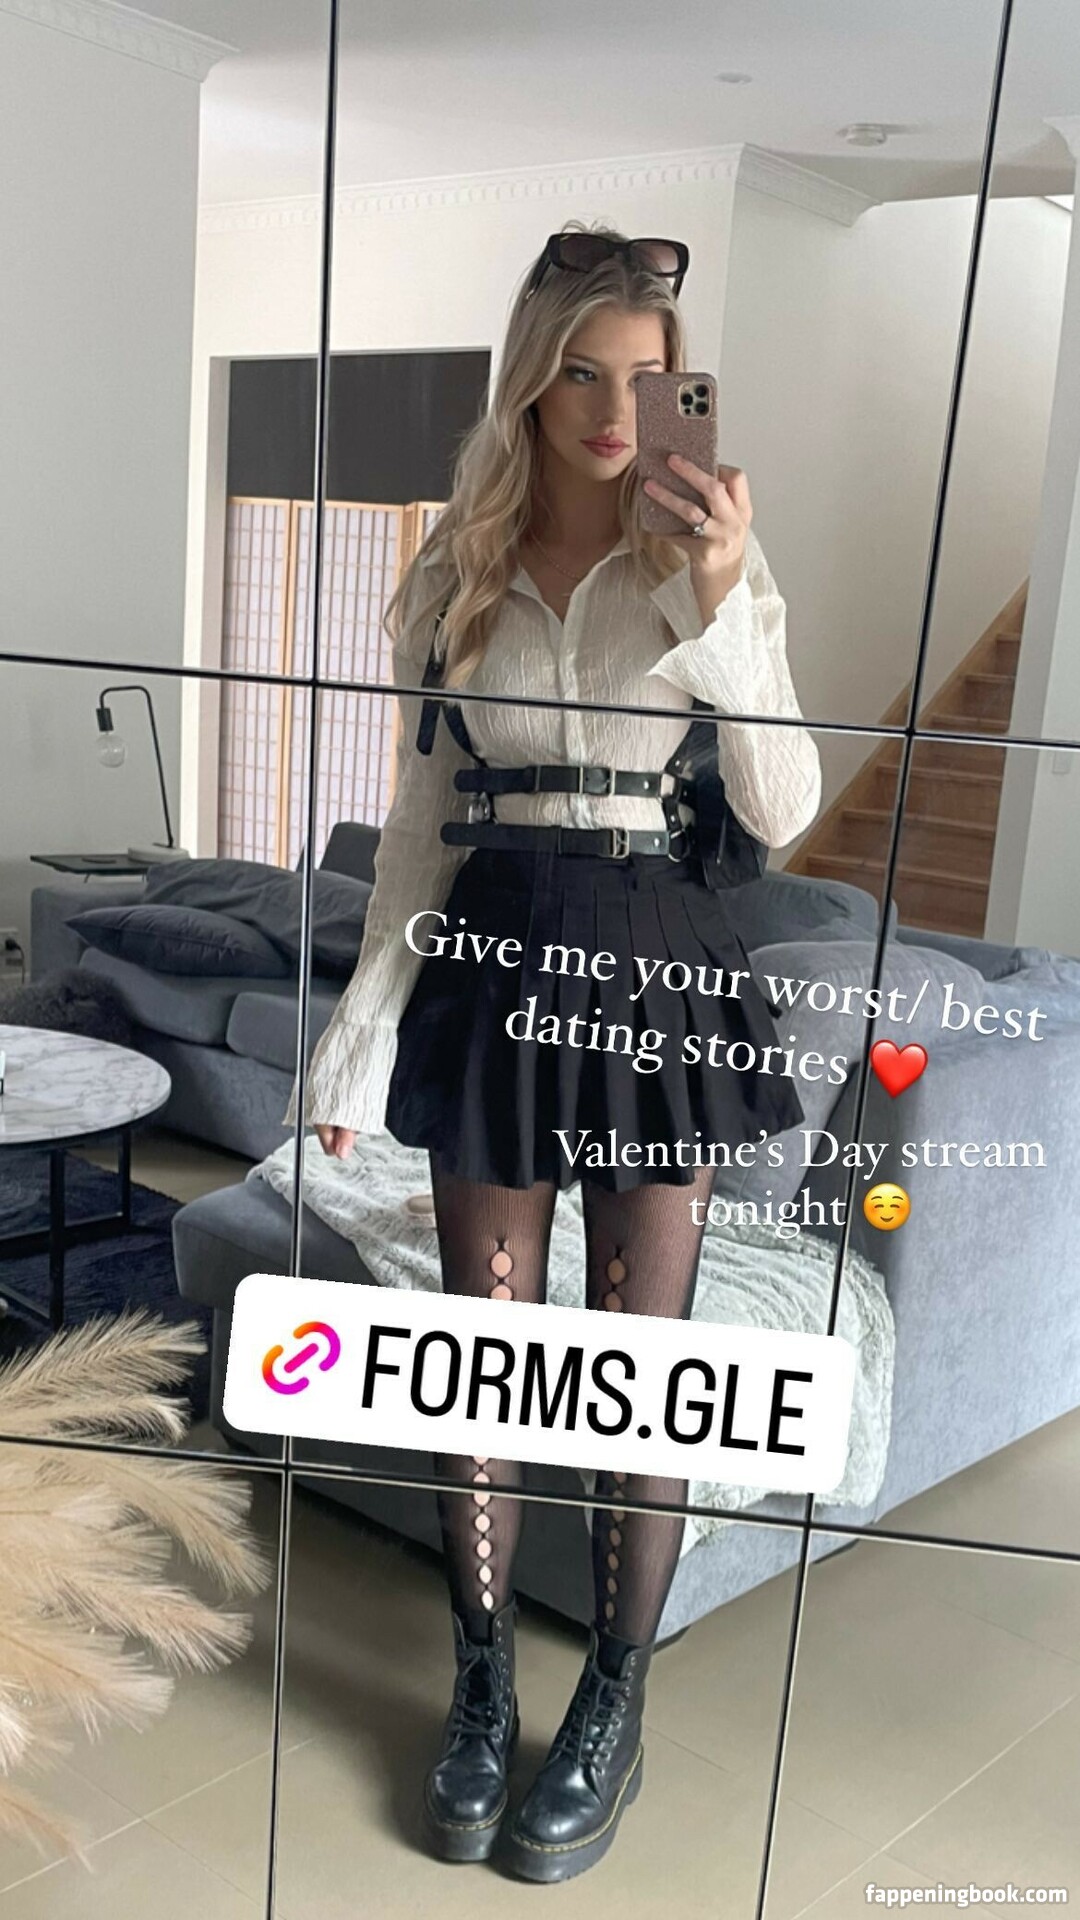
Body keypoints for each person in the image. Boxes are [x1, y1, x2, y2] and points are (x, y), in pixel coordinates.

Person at [284, 223, 821, 1884]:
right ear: (530, 380)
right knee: (483, 1360)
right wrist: (353, 1043)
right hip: (497, 961)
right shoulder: (456, 572)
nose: (613, 408)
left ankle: (612, 1699)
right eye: (582, 372)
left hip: (657, 969)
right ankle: (478, 1682)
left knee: (638, 1375)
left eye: (648, 379)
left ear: (679, 392)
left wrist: (723, 602)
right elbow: (419, 832)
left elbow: (784, 806)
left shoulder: (709, 563)